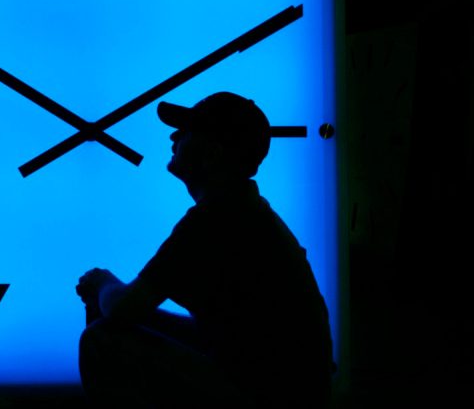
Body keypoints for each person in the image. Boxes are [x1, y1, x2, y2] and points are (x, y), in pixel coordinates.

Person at [76, 92, 334, 408]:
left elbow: (124, 308)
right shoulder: (245, 212)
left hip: (265, 397)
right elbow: (215, 335)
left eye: (186, 131)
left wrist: (102, 281)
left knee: (101, 340)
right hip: (287, 390)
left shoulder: (214, 220)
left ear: (211, 153)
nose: (174, 136)